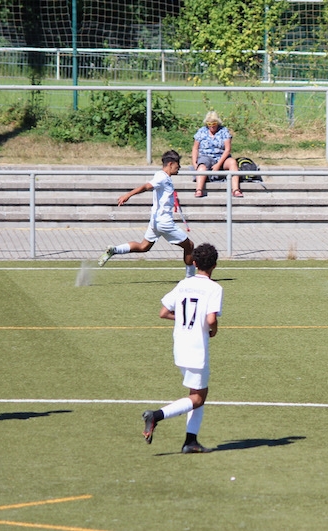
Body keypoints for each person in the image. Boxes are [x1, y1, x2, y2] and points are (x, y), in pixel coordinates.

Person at [141, 243, 223, 453]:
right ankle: (156, 416)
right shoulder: (214, 288)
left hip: (180, 345)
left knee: (195, 393)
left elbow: (163, 312)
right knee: (198, 397)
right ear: (214, 265)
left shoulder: (184, 284)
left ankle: (190, 441)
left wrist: (185, 319)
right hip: (197, 348)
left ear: (194, 263)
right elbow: (211, 319)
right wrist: (213, 330)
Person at [97, 149, 195, 278]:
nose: (179, 167)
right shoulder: (162, 177)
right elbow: (146, 186)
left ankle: (115, 250)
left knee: (144, 247)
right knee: (189, 246)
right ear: (171, 164)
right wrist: (128, 195)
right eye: (178, 164)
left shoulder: (163, 176)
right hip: (164, 222)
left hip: (155, 222)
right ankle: (190, 278)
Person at [192, 111, 242, 198]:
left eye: (214, 123)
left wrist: (218, 164)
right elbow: (195, 148)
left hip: (221, 156)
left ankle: (236, 189)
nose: (212, 126)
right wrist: (194, 163)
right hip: (206, 156)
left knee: (232, 162)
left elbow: (227, 149)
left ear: (218, 122)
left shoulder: (224, 131)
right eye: (209, 123)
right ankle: (199, 189)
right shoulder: (201, 131)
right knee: (202, 166)